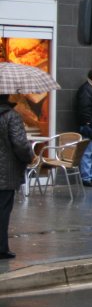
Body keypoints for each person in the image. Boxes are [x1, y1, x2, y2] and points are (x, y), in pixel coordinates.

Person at [0, 94, 34, 259]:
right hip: (5, 173)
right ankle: (1, 248)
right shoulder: (12, 116)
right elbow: (20, 144)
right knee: (2, 210)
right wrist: (30, 156)